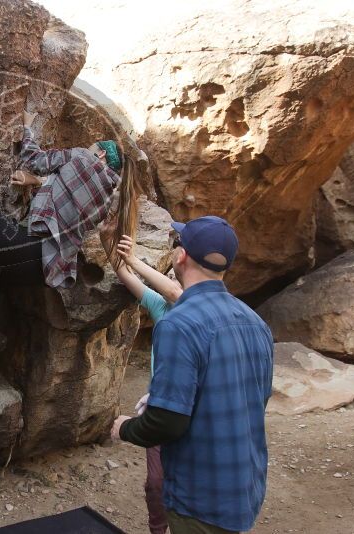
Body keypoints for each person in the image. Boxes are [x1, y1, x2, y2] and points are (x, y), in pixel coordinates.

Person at [0, 109, 144, 349]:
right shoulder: (107, 195)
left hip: (29, 248)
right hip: (44, 270)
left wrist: (28, 127)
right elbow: (65, 190)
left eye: (93, 147)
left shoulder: (83, 157)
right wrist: (35, 182)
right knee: (7, 271)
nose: (88, 148)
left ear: (100, 154)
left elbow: (35, 159)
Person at [111, 216, 274, 534]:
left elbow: (167, 421)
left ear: (180, 256)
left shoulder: (178, 324)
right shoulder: (256, 322)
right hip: (245, 488)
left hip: (200, 496)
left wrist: (124, 429)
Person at [98, 224, 182, 534]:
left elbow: (177, 292)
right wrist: (109, 243)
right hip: (158, 405)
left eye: (174, 274)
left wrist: (134, 259)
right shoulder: (162, 308)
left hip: (185, 411)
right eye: (169, 274)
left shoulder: (193, 306)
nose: (171, 278)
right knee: (155, 483)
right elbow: (125, 277)